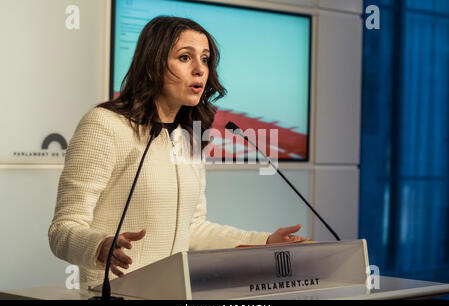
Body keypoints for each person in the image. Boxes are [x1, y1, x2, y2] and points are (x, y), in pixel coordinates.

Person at [48, 16, 311, 283]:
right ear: (153, 62)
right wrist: (100, 246)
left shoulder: (189, 135)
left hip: (175, 291)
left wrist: (265, 242)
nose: (200, 70)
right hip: (115, 291)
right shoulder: (105, 125)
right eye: (185, 57)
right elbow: (62, 229)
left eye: (205, 59)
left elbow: (192, 229)